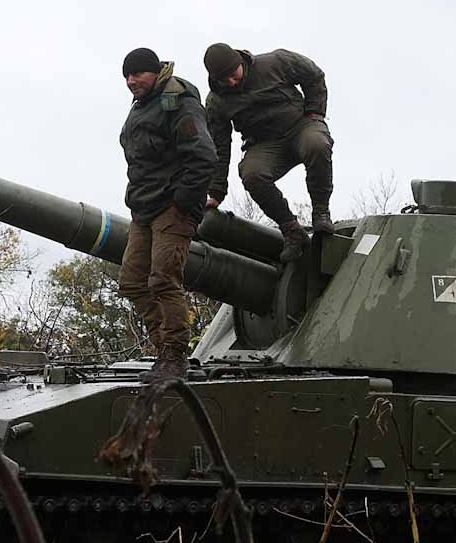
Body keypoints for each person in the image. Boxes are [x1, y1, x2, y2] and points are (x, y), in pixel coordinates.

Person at [117, 46, 215, 380]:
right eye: (127, 76)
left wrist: (184, 202)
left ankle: (175, 357)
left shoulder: (179, 101)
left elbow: (203, 156)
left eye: (137, 74)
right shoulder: (142, 105)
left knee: (163, 280)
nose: (131, 81)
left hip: (172, 207)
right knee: (132, 281)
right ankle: (162, 349)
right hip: (143, 207)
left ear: (155, 71)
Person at [201, 41, 334, 263]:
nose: (232, 82)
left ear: (240, 61)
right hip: (265, 144)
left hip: (301, 126)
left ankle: (321, 212)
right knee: (252, 174)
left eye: (234, 74)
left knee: (317, 144)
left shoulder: (275, 62)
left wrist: (315, 112)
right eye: (224, 79)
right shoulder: (216, 101)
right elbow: (220, 146)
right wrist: (215, 192)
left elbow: (314, 75)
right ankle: (291, 230)